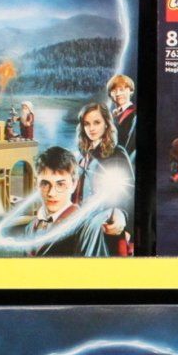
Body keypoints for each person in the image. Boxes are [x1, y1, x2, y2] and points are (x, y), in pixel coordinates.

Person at [71, 102, 133, 254]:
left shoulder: (117, 153)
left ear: (106, 124)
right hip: (80, 223)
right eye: (87, 124)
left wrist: (124, 219)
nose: (91, 128)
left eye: (96, 122)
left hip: (105, 224)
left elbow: (130, 191)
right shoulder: (81, 156)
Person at [106, 74, 138, 156]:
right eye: (114, 91)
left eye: (121, 89)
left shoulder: (135, 114)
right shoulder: (110, 116)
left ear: (131, 91)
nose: (118, 94)